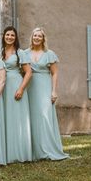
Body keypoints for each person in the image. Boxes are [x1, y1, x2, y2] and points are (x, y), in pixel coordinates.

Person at [24, 28, 69, 161]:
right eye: (34, 35)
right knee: (31, 117)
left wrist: (54, 90)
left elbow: (54, 73)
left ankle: (47, 148)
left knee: (44, 116)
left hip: (44, 86)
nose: (36, 38)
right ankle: (33, 151)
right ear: (31, 37)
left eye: (39, 36)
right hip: (30, 87)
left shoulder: (49, 54)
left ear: (43, 39)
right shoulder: (25, 53)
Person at [1, 26, 33, 163]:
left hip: (15, 84)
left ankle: (20, 152)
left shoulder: (20, 53)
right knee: (5, 117)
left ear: (15, 38)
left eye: (12, 35)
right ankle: (6, 152)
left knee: (17, 118)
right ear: (3, 36)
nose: (9, 37)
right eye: (7, 35)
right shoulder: (0, 52)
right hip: (2, 86)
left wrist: (21, 89)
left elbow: (29, 72)